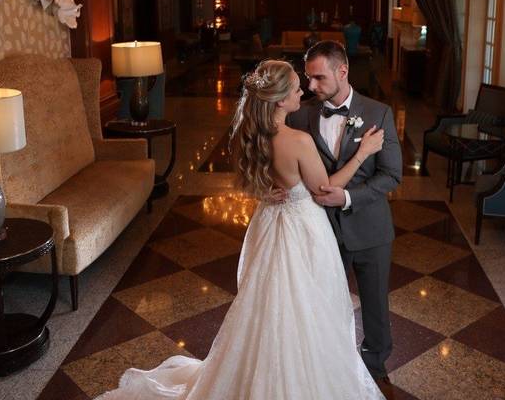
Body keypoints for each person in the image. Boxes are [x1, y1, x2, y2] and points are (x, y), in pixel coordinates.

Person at [97, 59, 387, 400]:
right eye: (296, 87)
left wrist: (266, 191)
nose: (303, 90)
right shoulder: (297, 140)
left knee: (268, 306)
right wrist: (362, 154)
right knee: (306, 307)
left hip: (268, 224)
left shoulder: (252, 134)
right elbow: (325, 192)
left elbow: (256, 182)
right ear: (280, 100)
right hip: (302, 230)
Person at [286, 40, 402, 380]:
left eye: (319, 78)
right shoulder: (300, 114)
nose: (311, 86)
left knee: (375, 306)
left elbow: (392, 175)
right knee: (322, 303)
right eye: (308, 78)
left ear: (343, 71)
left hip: (370, 229)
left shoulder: (379, 113)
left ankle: (375, 370)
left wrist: (348, 198)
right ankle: (327, 364)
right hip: (319, 229)